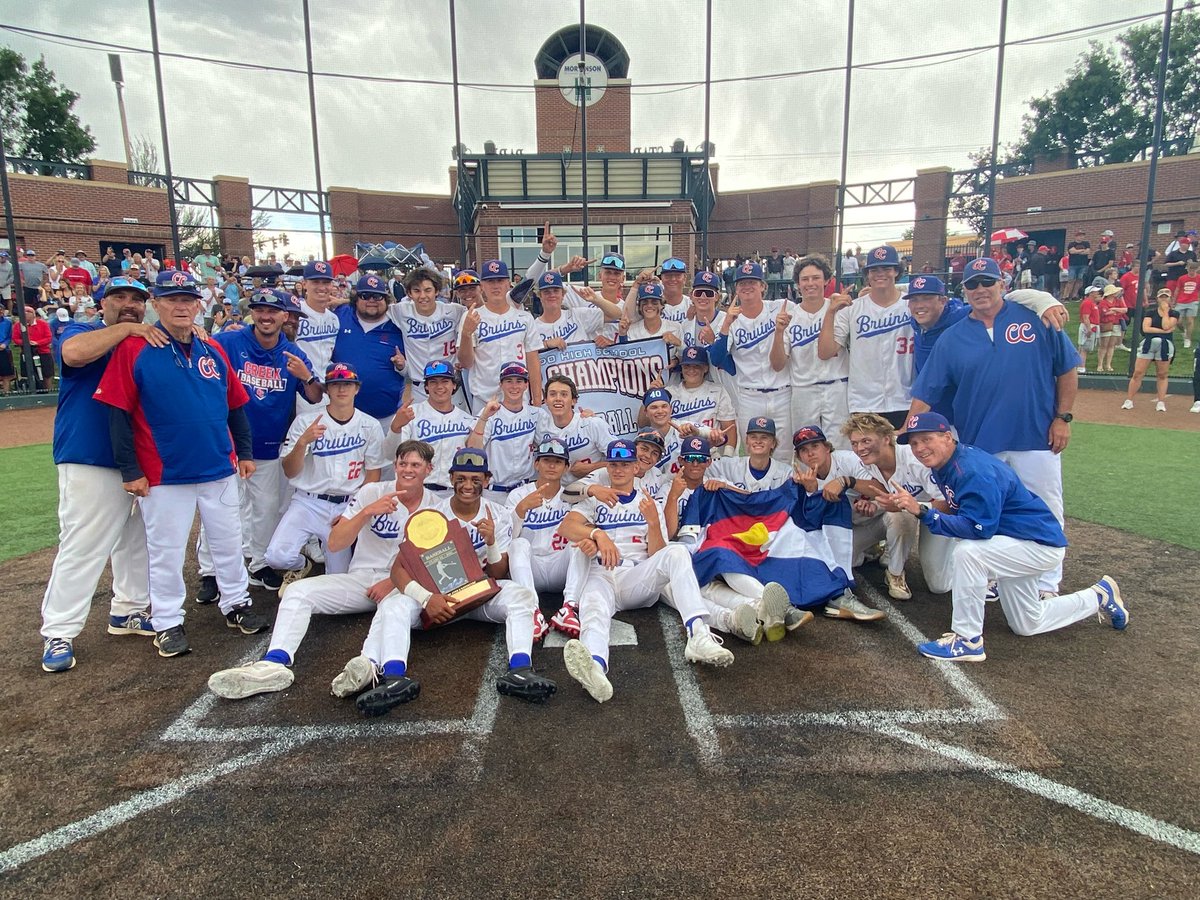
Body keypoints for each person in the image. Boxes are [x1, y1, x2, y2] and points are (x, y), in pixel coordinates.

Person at [94, 270, 268, 658]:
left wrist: (245, 452)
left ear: (198, 305)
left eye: (187, 299)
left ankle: (236, 603)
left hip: (218, 467)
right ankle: (168, 620)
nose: (180, 306)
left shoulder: (213, 349)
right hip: (163, 471)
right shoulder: (135, 348)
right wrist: (130, 470)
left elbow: (235, 406)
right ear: (156, 305)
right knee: (166, 551)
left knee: (228, 542)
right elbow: (118, 414)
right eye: (171, 299)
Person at [207, 440, 441, 703]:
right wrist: (366, 512)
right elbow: (335, 543)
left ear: (428, 469)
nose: (407, 470)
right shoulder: (372, 492)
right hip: (361, 579)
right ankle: (274, 663)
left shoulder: (437, 506)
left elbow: (431, 561)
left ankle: (369, 666)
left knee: (391, 610)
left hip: (401, 585)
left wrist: (393, 582)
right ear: (395, 465)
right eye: (402, 463)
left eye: (415, 465)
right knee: (297, 592)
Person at [884, 413, 1127, 662]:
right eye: (913, 443)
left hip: (1037, 545)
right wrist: (920, 506)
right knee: (1027, 622)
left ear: (947, 437)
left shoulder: (972, 470)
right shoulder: (945, 463)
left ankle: (968, 640)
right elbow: (958, 506)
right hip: (1015, 542)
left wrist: (924, 513)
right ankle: (1099, 595)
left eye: (926, 439)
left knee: (969, 553)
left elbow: (979, 529)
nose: (919, 448)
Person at [908, 257, 1080, 595]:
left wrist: (1063, 418)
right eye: (972, 284)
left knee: (1045, 507)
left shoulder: (1035, 319)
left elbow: (1067, 370)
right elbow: (926, 392)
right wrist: (907, 435)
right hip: (983, 440)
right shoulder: (953, 337)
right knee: (990, 509)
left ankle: (1047, 583)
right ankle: (998, 577)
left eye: (987, 281)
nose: (980, 289)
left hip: (1036, 435)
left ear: (1002, 284)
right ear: (964, 290)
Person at [344, 448, 557, 715]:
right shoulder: (432, 514)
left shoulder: (498, 514)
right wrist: (426, 598)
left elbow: (498, 572)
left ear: (487, 480)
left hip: (479, 595)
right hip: (437, 600)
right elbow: (399, 569)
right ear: (451, 477)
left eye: (476, 479)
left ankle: (520, 670)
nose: (468, 485)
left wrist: (491, 542)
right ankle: (394, 678)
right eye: (462, 478)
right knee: (393, 606)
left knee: (520, 595)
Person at [38, 277, 163, 672]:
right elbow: (73, 355)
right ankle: (59, 629)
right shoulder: (84, 330)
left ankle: (128, 610)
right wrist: (126, 328)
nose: (129, 304)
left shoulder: (148, 338)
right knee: (84, 543)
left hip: (138, 457)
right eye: (119, 297)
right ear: (100, 304)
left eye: (137, 300)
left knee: (136, 540)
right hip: (89, 454)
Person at [557, 439, 735, 703]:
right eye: (614, 464)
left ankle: (698, 633)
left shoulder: (646, 502)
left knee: (676, 552)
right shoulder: (598, 498)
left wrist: (653, 522)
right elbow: (567, 527)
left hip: (635, 576)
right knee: (593, 611)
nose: (618, 470)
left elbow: (658, 554)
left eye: (625, 465)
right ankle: (595, 668)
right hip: (601, 574)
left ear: (634, 467)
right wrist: (597, 533)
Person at [195, 288, 323, 600]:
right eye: (260, 310)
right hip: (227, 442)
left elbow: (316, 395)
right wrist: (199, 331)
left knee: (265, 509)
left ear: (284, 316)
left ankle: (259, 562)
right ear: (253, 312)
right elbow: (198, 354)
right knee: (221, 507)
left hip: (267, 443)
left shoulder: (292, 353)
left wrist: (306, 376)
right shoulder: (229, 341)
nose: (266, 316)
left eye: (272, 311)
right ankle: (210, 571)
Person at [266, 361, 389, 591]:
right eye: (335, 384)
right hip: (308, 501)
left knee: (339, 579)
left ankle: (323, 570)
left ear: (357, 388)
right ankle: (303, 564)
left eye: (347, 384)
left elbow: (373, 473)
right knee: (276, 557)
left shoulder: (369, 425)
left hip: (345, 504)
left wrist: (354, 511)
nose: (341, 389)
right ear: (327, 389)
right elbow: (289, 470)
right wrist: (303, 442)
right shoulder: (306, 422)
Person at [842, 413, 954, 600]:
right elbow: (883, 491)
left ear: (887, 439)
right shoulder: (868, 462)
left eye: (866, 441)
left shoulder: (915, 459)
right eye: (854, 443)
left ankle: (977, 563)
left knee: (939, 586)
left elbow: (946, 505)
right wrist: (867, 498)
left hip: (938, 515)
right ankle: (880, 551)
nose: (860, 448)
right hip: (911, 509)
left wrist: (911, 506)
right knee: (845, 554)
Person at [790, 425, 887, 622]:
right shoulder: (803, 476)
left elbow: (881, 488)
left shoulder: (848, 459)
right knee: (834, 565)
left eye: (815, 446)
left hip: (878, 516)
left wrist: (846, 481)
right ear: (800, 457)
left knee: (900, 518)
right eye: (804, 450)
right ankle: (868, 552)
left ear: (827, 447)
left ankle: (895, 569)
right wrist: (811, 490)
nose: (810, 453)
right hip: (849, 525)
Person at [817, 245, 914, 429]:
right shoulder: (853, 309)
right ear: (867, 274)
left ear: (896, 271)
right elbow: (825, 352)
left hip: (905, 398)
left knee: (905, 457)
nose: (880, 274)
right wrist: (830, 313)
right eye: (874, 270)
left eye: (886, 268)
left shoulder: (911, 304)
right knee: (867, 458)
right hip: (864, 401)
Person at [709, 261, 792, 459]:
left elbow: (811, 310)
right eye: (742, 283)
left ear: (763, 286)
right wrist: (726, 325)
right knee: (752, 455)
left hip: (783, 393)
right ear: (735, 287)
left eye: (752, 282)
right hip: (749, 396)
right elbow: (717, 358)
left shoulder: (780, 308)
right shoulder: (728, 319)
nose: (747, 287)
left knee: (784, 453)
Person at [771, 254, 851, 448]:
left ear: (826, 280)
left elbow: (831, 351)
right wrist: (779, 333)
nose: (810, 283)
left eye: (816, 278)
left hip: (836, 386)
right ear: (797, 283)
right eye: (805, 279)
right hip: (803, 389)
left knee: (841, 448)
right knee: (806, 449)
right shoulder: (790, 316)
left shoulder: (839, 309)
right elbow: (777, 364)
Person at [506, 436, 580, 637]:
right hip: (531, 568)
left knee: (580, 541)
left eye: (558, 462)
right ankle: (532, 610)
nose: (552, 466)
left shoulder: (573, 495)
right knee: (519, 544)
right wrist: (520, 510)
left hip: (560, 566)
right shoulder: (518, 495)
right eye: (547, 460)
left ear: (566, 467)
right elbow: (505, 540)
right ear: (537, 463)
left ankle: (570, 607)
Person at [523, 271, 621, 400]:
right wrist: (545, 344)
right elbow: (522, 358)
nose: (552, 295)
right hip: (550, 397)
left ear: (563, 295)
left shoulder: (577, 315)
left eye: (556, 291)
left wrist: (596, 299)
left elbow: (616, 314)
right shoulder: (532, 327)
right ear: (539, 295)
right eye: (547, 291)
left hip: (584, 391)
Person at [332, 274, 407, 431]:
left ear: (386, 299)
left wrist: (402, 366)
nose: (371, 300)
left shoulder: (399, 323)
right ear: (356, 299)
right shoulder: (340, 315)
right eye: (365, 295)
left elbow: (411, 371)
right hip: (343, 417)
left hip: (386, 417)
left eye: (378, 296)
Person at [457, 260, 534, 412]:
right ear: (482, 286)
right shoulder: (471, 316)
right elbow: (466, 363)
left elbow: (533, 361)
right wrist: (466, 333)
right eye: (490, 281)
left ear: (508, 284)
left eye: (500, 280)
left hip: (520, 398)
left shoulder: (524, 317)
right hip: (483, 399)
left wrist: (537, 398)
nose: (495, 285)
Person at [389, 360, 477, 491]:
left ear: (454, 385)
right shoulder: (410, 415)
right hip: (418, 491)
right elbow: (390, 455)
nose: (439, 386)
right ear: (426, 387)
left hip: (453, 493)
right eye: (433, 382)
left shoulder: (467, 420)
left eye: (445, 381)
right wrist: (395, 428)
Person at [386, 267, 463, 404]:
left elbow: (481, 311)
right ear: (409, 293)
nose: (422, 296)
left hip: (449, 386)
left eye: (428, 290)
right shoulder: (401, 311)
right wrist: (343, 301)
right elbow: (374, 307)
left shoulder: (454, 311)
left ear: (437, 291)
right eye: (416, 291)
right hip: (419, 388)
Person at [466, 360, 539, 502]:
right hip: (494, 493)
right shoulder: (489, 413)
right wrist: (484, 418)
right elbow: (473, 449)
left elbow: (558, 435)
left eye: (519, 381)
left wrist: (584, 417)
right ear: (501, 385)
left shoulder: (536, 414)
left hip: (524, 490)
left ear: (526, 385)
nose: (514, 386)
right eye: (509, 381)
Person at [536, 373, 614, 484]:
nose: (558, 399)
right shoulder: (539, 428)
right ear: (546, 400)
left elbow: (621, 460)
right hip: (559, 496)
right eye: (552, 394)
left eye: (564, 394)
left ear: (573, 400)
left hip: (596, 492)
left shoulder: (592, 424)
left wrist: (591, 468)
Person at [1121, 288, 1179, 413]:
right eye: (1161, 296)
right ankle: (1129, 400)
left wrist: (1165, 312)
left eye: (1166, 297)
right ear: (1157, 298)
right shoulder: (1150, 312)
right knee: (1138, 372)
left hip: (1165, 344)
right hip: (1149, 342)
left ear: (1170, 299)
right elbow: (1146, 329)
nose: (1164, 299)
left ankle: (1161, 401)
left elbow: (1167, 325)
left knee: (1162, 374)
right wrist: (1163, 331)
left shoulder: (1174, 313)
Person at [294, 260, 341, 410]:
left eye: (326, 282)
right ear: (304, 284)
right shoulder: (294, 313)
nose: (321, 287)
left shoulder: (334, 319)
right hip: (302, 388)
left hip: (328, 388)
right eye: (315, 282)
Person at [708, 416, 791, 492]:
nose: (758, 441)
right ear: (747, 440)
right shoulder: (729, 465)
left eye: (764, 437)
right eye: (753, 437)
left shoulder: (786, 473)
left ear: (773, 443)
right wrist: (709, 444)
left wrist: (727, 486)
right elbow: (698, 466)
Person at [11, 307, 54, 391]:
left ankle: (48, 391)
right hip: (27, 353)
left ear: (33, 314)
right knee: (27, 373)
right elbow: (15, 338)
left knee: (47, 374)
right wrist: (25, 342)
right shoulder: (18, 325)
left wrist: (38, 343)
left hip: (43, 352)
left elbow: (48, 337)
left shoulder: (43, 324)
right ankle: (31, 391)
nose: (26, 314)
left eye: (28, 312)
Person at [1096, 284, 1126, 373]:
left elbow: (1125, 310)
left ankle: (1108, 364)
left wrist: (1113, 309)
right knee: (1104, 345)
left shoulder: (1117, 300)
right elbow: (1106, 313)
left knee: (1111, 345)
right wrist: (1117, 311)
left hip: (1116, 324)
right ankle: (1100, 364)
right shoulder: (1103, 302)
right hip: (1106, 324)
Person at [1170, 260, 1199, 349]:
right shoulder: (1182, 278)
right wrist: (1174, 301)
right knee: (1178, 321)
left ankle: (1188, 339)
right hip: (1181, 301)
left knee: (1190, 321)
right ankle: (1184, 332)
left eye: (1194, 270)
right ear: (1187, 269)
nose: (1192, 272)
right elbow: (1177, 290)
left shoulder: (1198, 278)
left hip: (1193, 301)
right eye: (1190, 269)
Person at [1064, 231, 1091, 301]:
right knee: (1071, 280)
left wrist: (1077, 251)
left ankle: (1074, 295)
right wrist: (1082, 250)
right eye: (1080, 235)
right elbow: (1071, 251)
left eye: (1082, 235)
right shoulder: (1071, 244)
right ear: (1076, 236)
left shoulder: (1086, 243)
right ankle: (1066, 296)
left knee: (1079, 280)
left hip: (1083, 264)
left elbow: (1087, 252)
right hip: (1073, 265)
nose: (1082, 237)